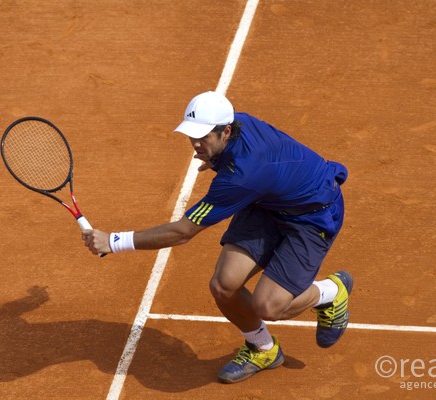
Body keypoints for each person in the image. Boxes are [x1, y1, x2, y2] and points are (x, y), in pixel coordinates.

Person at [82, 91, 353, 384]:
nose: (196, 144)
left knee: (268, 306)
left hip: (312, 217)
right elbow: (252, 161)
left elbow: (182, 231)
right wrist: (216, 158)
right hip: (267, 204)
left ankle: (330, 292)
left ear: (225, 130)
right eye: (192, 135)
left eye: (203, 137)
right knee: (224, 286)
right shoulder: (237, 126)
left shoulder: (241, 177)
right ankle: (263, 349)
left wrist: (113, 241)